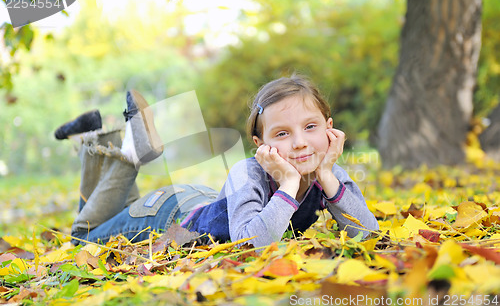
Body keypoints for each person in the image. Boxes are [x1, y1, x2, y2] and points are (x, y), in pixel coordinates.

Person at [57, 75, 379, 248]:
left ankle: (93, 136)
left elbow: (367, 232)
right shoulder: (247, 172)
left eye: (310, 127)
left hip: (201, 200)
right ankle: (129, 150)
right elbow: (251, 244)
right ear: (260, 144)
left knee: (115, 210)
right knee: (83, 236)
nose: (299, 142)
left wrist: (326, 175)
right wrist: (290, 183)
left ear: (329, 128)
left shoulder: (328, 172)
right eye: (282, 133)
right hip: (169, 215)